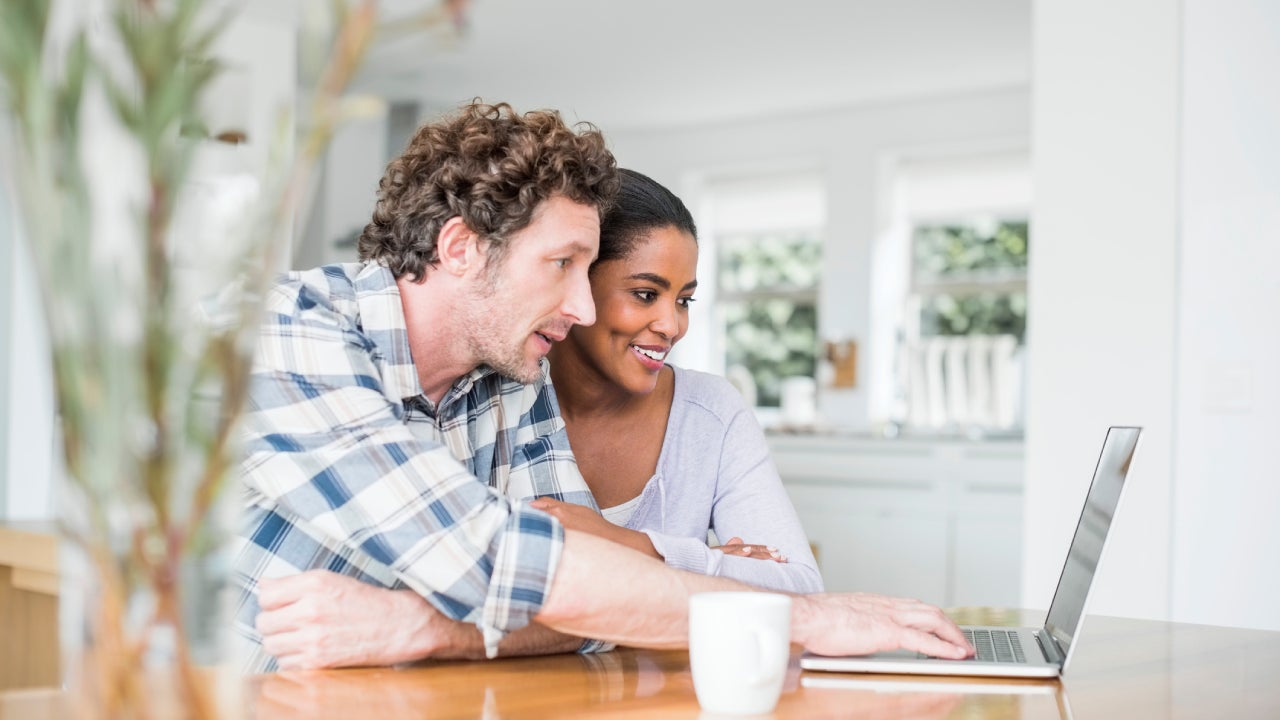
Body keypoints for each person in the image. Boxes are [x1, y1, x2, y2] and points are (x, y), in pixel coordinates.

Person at [237, 101, 973, 672]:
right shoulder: (286, 338)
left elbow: (591, 602)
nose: (583, 309)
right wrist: (810, 618)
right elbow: (513, 568)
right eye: (562, 266)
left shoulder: (506, 377)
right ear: (461, 247)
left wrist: (420, 629)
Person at [529, 168, 821, 593]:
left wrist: (630, 544)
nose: (673, 325)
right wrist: (712, 565)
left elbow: (799, 587)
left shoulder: (711, 412)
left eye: (684, 300)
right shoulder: (500, 399)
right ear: (576, 282)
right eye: (646, 294)